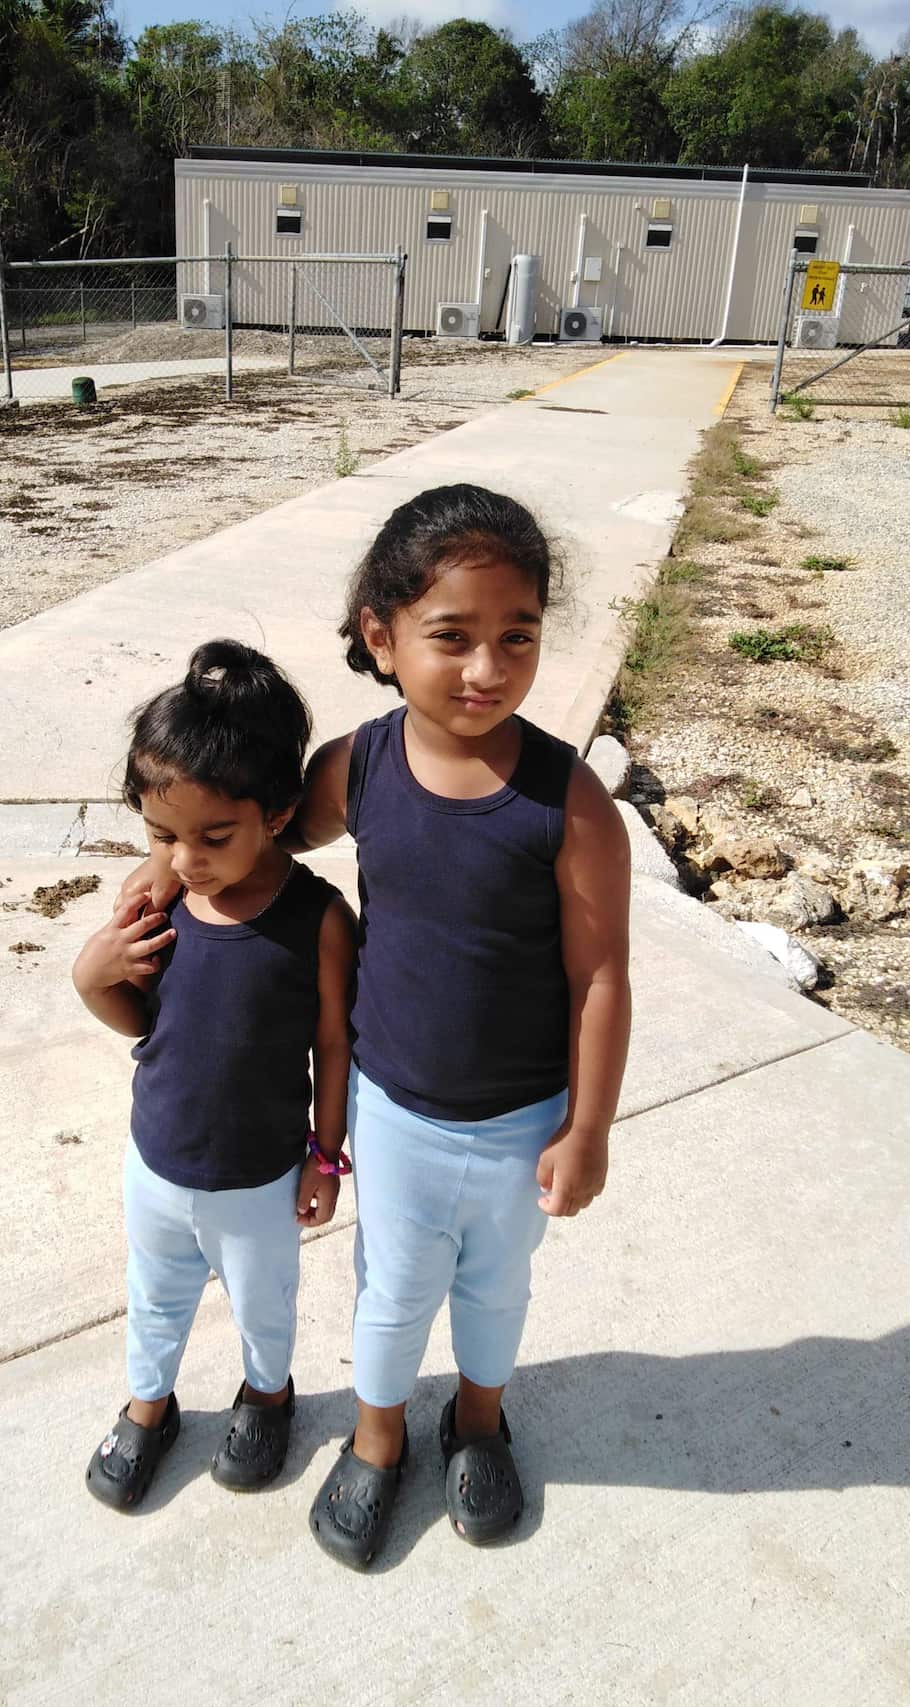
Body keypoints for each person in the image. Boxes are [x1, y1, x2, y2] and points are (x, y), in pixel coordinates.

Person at [122, 484, 631, 1567]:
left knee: (498, 1288)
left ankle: (480, 1420)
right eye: (450, 636)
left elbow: (598, 977)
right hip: (394, 1110)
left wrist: (586, 1127)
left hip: (521, 1119)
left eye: (517, 638)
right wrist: (163, 869)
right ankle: (377, 1432)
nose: (486, 668)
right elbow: (245, 838)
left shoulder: (569, 804)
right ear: (381, 636)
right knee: (391, 1293)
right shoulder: (357, 770)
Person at [73, 639, 357, 1512]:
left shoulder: (317, 919)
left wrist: (326, 1154)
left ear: (275, 813)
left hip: (260, 1175)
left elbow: (335, 1047)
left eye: (212, 835)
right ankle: (148, 1405)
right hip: (156, 1158)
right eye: (163, 833)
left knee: (263, 1303)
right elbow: (133, 1015)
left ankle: (267, 1394)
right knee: (153, 1297)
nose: (186, 857)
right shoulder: (156, 895)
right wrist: (98, 963)